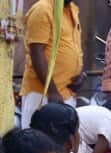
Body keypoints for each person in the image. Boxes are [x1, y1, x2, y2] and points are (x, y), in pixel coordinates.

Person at [19, 0, 84, 128]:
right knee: (38, 143)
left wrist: (80, 74)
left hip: (66, 93)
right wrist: (52, 91)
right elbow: (37, 53)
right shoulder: (43, 9)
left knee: (61, 145)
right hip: (43, 94)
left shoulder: (73, 9)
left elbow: (73, 49)